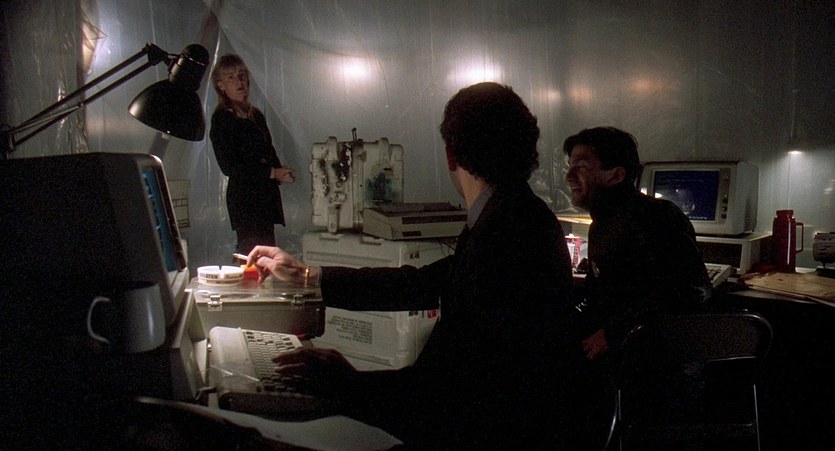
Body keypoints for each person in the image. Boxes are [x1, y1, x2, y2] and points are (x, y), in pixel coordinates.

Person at [248, 82, 588, 449]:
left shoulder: (506, 229)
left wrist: (349, 382)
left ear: (451, 154)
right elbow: (421, 284)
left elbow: (449, 390)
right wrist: (306, 276)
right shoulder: (514, 214)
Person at [563, 126, 711, 362]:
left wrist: (613, 333)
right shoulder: (602, 222)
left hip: (655, 362)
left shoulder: (656, 218)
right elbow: (598, 293)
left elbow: (690, 292)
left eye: (581, 166)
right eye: (570, 165)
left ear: (616, 175)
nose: (569, 176)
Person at [209, 54, 295, 255]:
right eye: (231, 77)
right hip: (246, 200)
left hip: (264, 197)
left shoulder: (255, 115)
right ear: (221, 86)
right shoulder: (222, 119)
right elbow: (230, 166)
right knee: (252, 253)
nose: (240, 81)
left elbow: (268, 149)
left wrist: (280, 172)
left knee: (266, 253)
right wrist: (271, 172)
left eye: (242, 74)